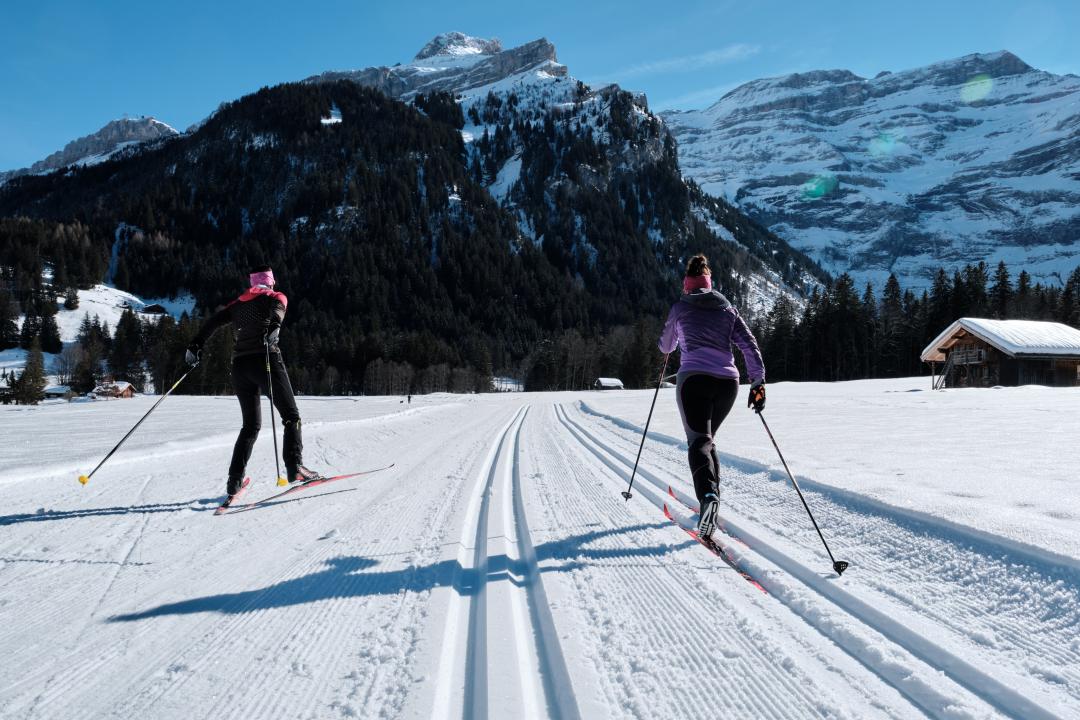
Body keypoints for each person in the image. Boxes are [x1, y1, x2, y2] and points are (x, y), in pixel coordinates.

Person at [185, 265, 321, 499]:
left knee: (250, 426)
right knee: (291, 416)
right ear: (270, 282)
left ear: (252, 284)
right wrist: (274, 328)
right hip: (266, 360)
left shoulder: (238, 304)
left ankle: (234, 481)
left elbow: (213, 322)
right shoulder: (276, 296)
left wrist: (195, 345)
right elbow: (279, 310)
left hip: (240, 367)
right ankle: (295, 467)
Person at [658, 254, 766, 538]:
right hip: (728, 384)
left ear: (687, 284)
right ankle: (712, 498)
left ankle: (708, 497)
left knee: (699, 442)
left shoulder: (680, 308)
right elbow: (749, 345)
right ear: (709, 282)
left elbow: (666, 346)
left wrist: (675, 334)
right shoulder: (728, 310)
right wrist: (757, 382)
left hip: (694, 379)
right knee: (707, 441)